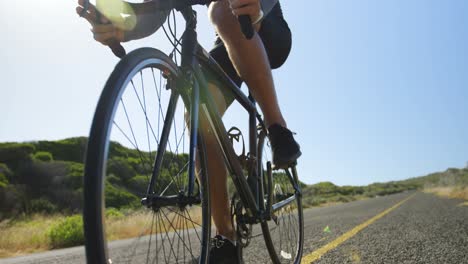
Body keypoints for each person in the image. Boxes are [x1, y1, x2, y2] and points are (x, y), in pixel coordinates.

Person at [76, 0, 301, 263]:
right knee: (198, 115)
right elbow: (158, 8)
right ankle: (226, 240)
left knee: (221, 10)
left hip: (267, 22)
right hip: (228, 36)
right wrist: (122, 27)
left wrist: (259, 7)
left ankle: (277, 126)